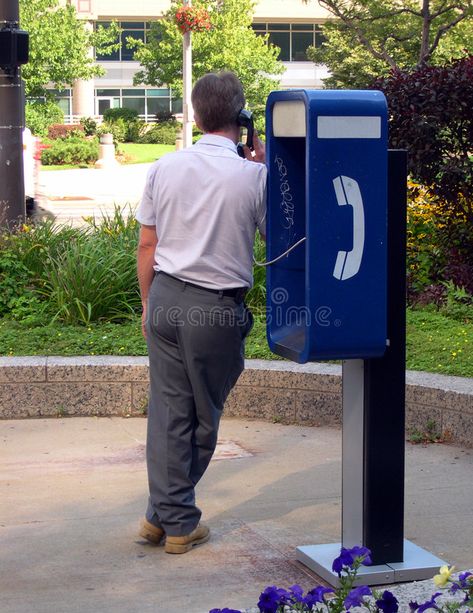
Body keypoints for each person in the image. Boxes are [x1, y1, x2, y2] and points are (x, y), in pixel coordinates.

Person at [135, 71, 266, 554]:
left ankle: (159, 517)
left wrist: (149, 304)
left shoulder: (164, 167)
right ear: (241, 117)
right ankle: (180, 524)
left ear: (195, 114)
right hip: (214, 308)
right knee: (202, 420)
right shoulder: (254, 177)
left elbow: (147, 243)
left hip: (166, 298)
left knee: (170, 414)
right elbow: (280, 242)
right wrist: (266, 168)